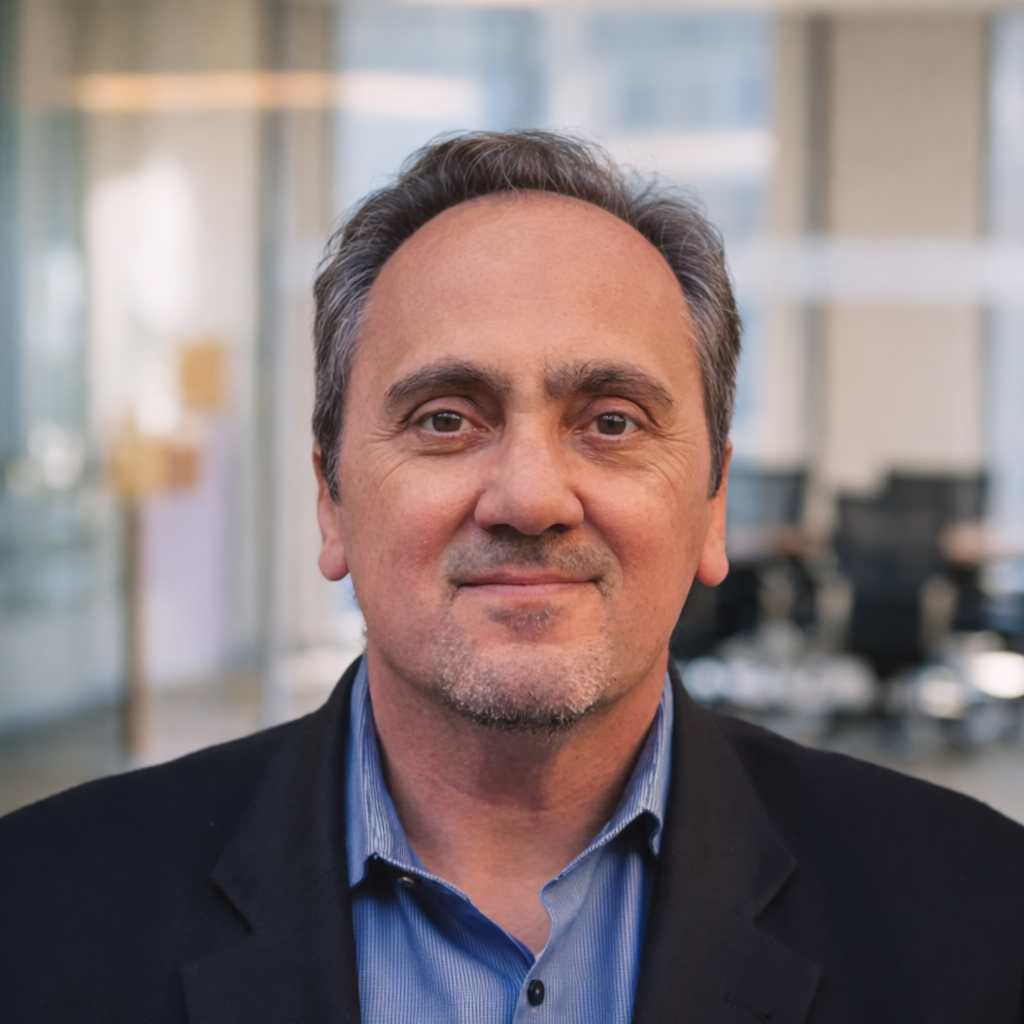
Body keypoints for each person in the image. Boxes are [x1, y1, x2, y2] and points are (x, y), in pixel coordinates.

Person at [1, 131, 1023, 1024]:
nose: (530, 497)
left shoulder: (982, 920)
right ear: (331, 500)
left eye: (611, 421)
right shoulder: (35, 912)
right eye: (445, 419)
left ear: (712, 503)